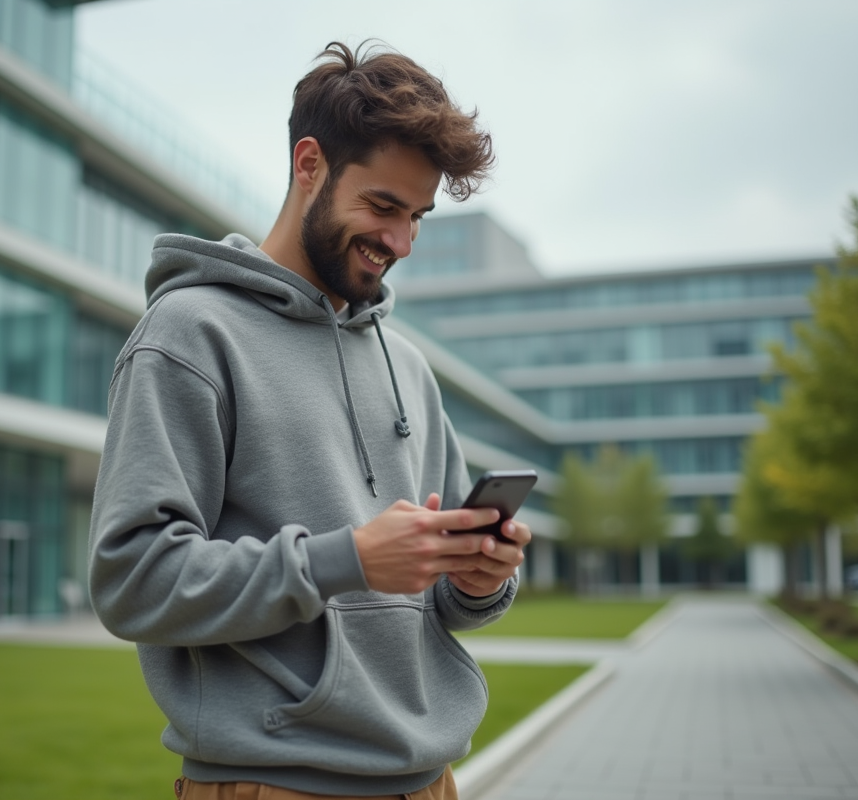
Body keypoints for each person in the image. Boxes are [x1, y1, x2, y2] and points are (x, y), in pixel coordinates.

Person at [88, 41, 530, 800]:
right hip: (274, 783)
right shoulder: (190, 336)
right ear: (309, 165)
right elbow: (131, 580)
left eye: (417, 217)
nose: (400, 243)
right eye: (384, 207)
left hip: (431, 781)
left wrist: (480, 576)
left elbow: (441, 602)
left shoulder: (409, 367)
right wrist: (346, 560)